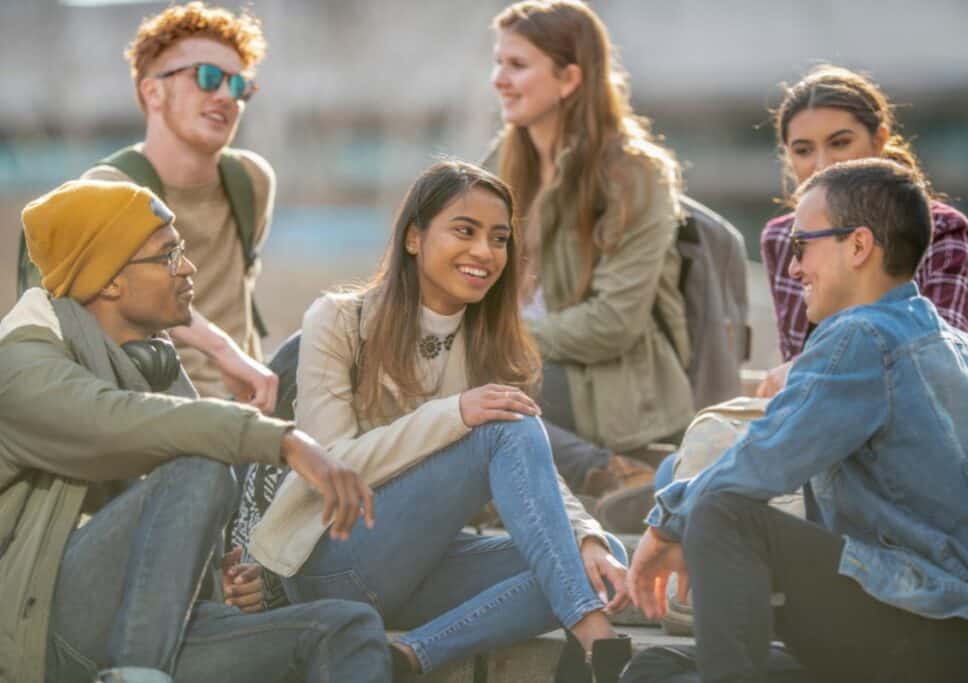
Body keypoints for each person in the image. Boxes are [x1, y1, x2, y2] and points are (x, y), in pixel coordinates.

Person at [625, 159, 968, 682]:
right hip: (943, 629)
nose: (793, 269)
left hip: (946, 634)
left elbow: (762, 461)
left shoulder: (864, 335)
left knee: (723, 513)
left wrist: (663, 526)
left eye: (801, 245)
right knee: (656, 670)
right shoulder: (960, 347)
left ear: (858, 246)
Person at [250, 160, 634, 683]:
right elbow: (330, 461)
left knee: (597, 555)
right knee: (505, 432)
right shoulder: (339, 320)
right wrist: (453, 415)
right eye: (464, 230)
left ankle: (411, 656)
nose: (484, 252)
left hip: (422, 571)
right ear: (414, 237)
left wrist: (586, 533)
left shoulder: (489, 342)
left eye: (498, 239)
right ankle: (596, 638)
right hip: (331, 560)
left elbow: (530, 468)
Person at [0, 180, 390, 683]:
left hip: (133, 632)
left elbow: (157, 525)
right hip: (40, 633)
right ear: (110, 279)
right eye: (167, 255)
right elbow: (119, 423)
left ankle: (140, 668)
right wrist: (286, 440)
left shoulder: (152, 358)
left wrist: (207, 577)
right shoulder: (20, 366)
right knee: (199, 463)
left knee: (346, 627)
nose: (187, 268)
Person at [487, 0, 694, 495]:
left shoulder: (634, 175)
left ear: (569, 79)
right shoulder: (502, 162)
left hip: (609, 386)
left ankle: (610, 472)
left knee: (461, 390)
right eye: (497, 62)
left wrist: (502, 340)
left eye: (516, 65)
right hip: (527, 364)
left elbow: (612, 323)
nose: (498, 79)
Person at [84, 1, 279, 410]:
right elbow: (132, 298)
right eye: (207, 78)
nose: (227, 96)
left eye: (239, 85)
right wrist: (221, 349)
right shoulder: (109, 188)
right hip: (153, 419)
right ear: (153, 91)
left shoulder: (251, 181)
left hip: (250, 413)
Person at [757, 64, 968, 397]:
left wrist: (810, 371)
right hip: (820, 423)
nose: (822, 164)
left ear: (879, 140)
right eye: (803, 150)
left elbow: (939, 361)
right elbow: (796, 354)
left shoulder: (942, 230)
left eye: (840, 143)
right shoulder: (781, 239)